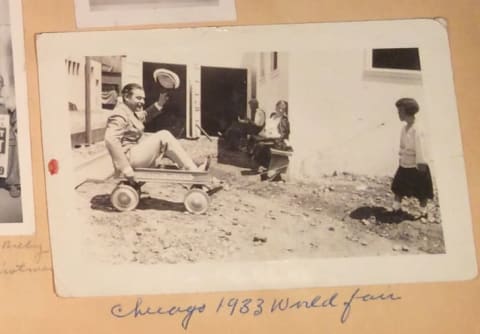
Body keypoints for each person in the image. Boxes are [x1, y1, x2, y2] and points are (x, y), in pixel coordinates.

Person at [104, 78, 208, 183]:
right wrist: (125, 168)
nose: (142, 102)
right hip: (129, 159)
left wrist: (160, 103)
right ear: (126, 97)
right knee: (164, 135)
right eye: (138, 98)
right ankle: (194, 172)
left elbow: (143, 116)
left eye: (143, 99)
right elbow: (110, 140)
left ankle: (192, 167)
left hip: (134, 154)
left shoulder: (129, 111)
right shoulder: (119, 114)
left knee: (166, 143)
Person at [391, 98, 433, 217]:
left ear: (407, 111)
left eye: (400, 111)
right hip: (405, 163)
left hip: (417, 165)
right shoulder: (404, 128)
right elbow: (402, 146)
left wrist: (421, 163)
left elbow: (421, 147)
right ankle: (396, 207)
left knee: (422, 190)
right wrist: (400, 157)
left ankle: (423, 211)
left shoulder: (417, 128)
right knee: (398, 186)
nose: (398, 114)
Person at [252, 99, 291, 169]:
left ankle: (264, 166)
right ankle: (261, 165)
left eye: (283, 109)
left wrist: (271, 136)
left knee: (261, 145)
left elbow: (283, 135)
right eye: (279, 108)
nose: (281, 110)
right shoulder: (272, 116)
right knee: (254, 140)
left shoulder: (284, 120)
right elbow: (267, 127)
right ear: (276, 107)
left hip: (278, 142)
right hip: (269, 139)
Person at [0, 74, 20, 198]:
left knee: (11, 145)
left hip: (5, 133)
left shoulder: (7, 100)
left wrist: (15, 126)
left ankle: (12, 183)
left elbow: (15, 116)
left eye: (0, 82)